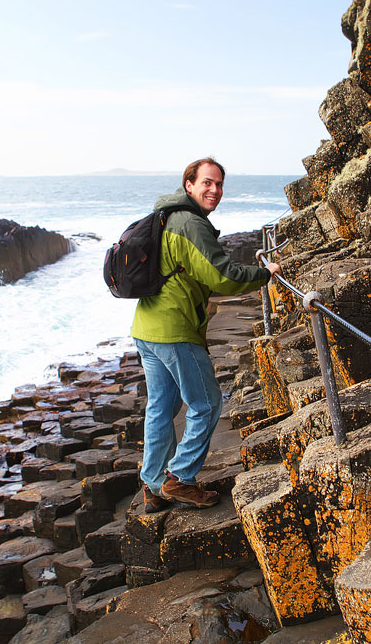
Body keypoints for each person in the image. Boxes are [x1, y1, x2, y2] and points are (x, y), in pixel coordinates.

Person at [131, 157, 282, 513]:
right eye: (207, 183)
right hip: (174, 331)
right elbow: (222, 275)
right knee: (207, 403)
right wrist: (264, 273)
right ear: (189, 185)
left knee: (161, 408)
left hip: (146, 328)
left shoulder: (165, 216)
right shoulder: (188, 224)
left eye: (219, 184)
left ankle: (153, 486)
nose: (214, 190)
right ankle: (180, 478)